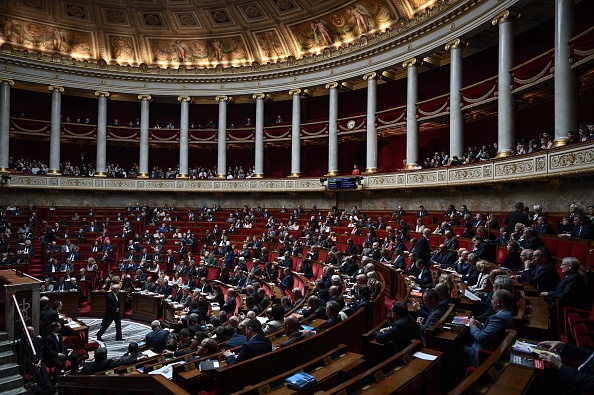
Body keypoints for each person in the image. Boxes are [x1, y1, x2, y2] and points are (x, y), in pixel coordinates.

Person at [17, 326, 57, 395]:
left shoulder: (37, 339)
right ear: (27, 333)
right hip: (28, 365)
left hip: (38, 361)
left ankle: (49, 386)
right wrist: (33, 364)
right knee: (36, 372)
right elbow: (23, 358)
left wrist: (39, 361)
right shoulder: (20, 344)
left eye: (34, 331)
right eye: (32, 331)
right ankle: (44, 388)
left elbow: (40, 352)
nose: (34, 332)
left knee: (43, 369)